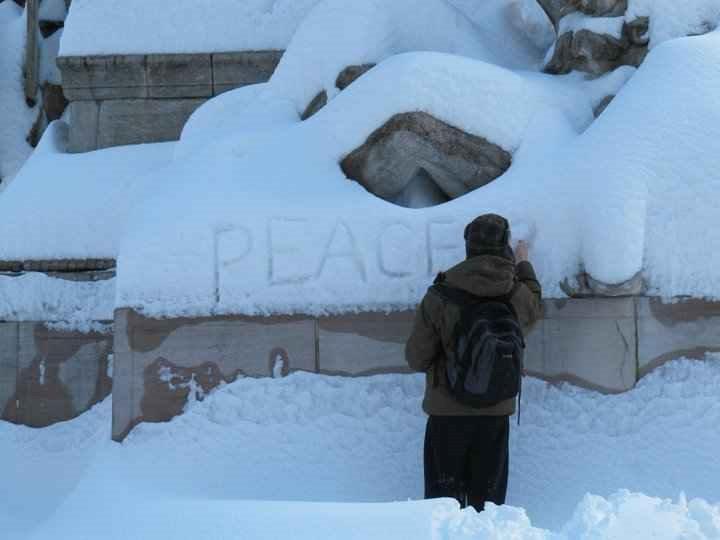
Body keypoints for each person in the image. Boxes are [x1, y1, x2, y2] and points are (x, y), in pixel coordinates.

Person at [405, 213, 542, 512]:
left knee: (443, 510)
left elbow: (417, 358)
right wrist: (523, 264)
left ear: (468, 246)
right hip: (495, 415)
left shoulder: (441, 294)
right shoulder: (515, 292)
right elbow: (535, 306)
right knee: (488, 510)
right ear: (504, 246)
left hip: (447, 416)